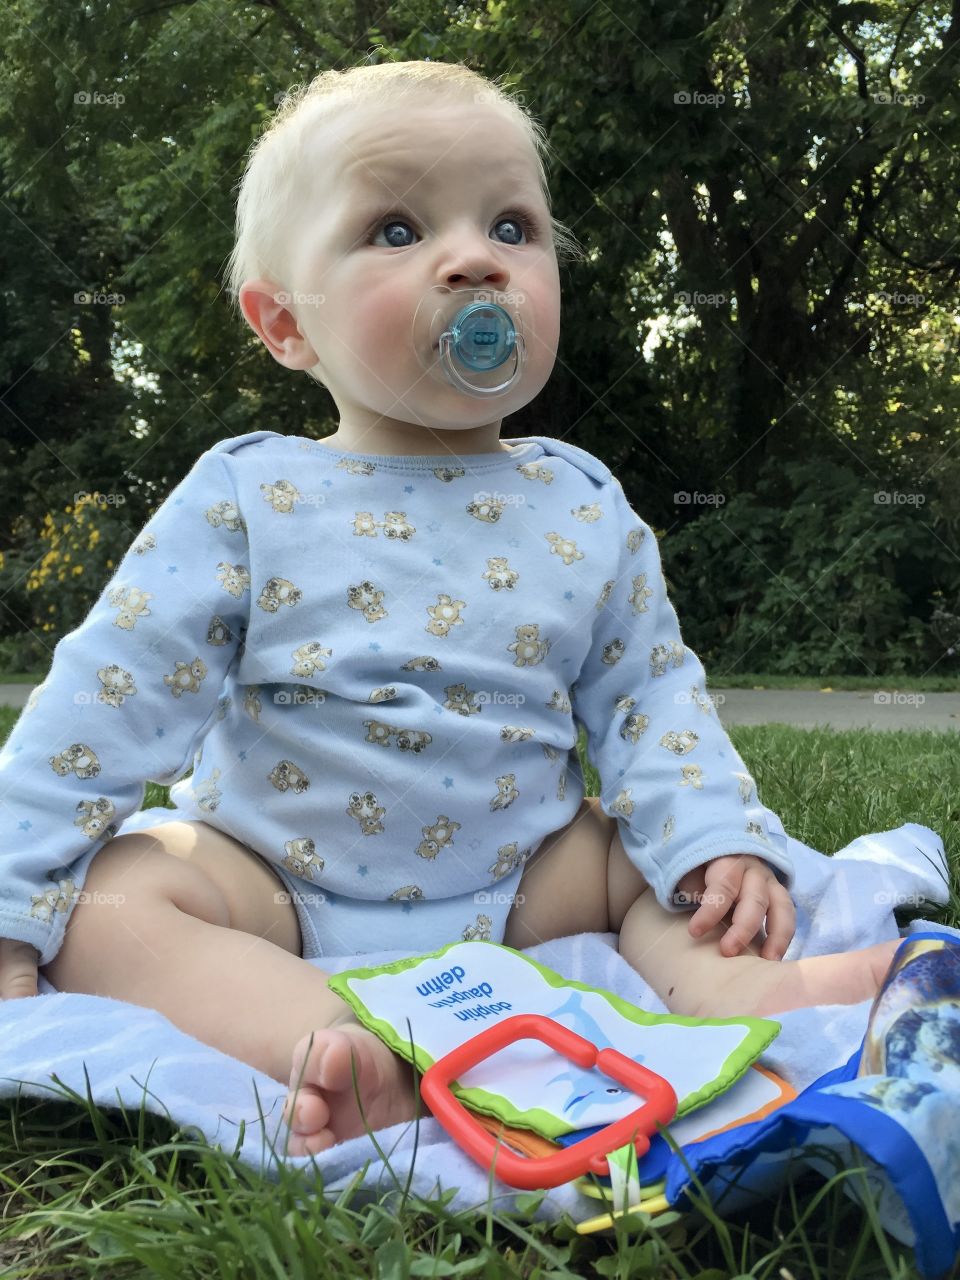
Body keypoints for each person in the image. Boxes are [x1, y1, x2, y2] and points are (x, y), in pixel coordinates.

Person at [0, 60, 899, 1157]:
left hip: (527, 875)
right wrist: (12, 900)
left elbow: (650, 697)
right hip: (280, 878)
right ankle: (328, 1042)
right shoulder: (252, 494)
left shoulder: (580, 499)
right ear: (286, 321)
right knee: (117, 900)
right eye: (395, 229)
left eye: (512, 225)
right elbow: (105, 700)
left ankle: (726, 983)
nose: (476, 257)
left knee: (654, 856)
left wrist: (713, 837)